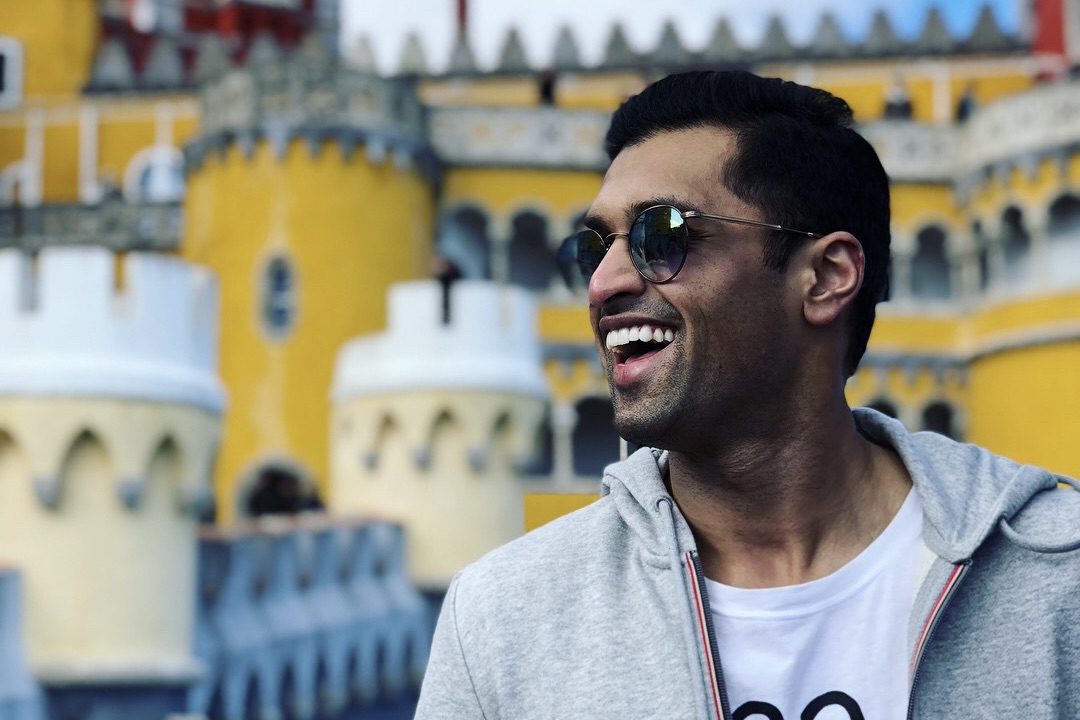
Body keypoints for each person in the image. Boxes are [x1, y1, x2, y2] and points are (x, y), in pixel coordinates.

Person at [414, 71, 1080, 719]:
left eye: (663, 236)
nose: (603, 283)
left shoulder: (1057, 580)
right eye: (596, 248)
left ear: (825, 277)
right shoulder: (502, 619)